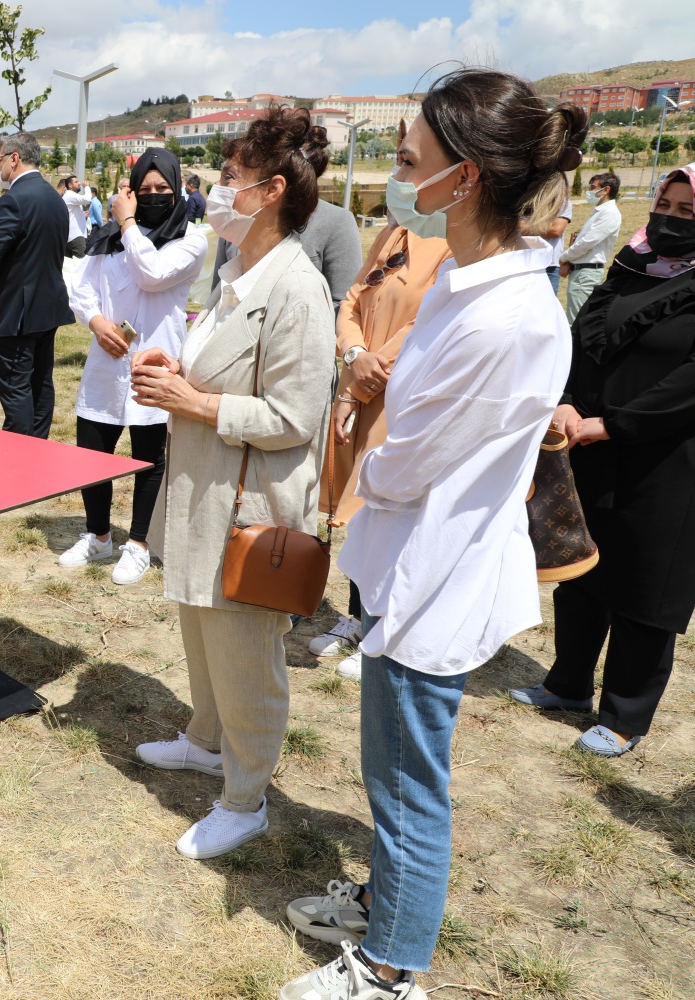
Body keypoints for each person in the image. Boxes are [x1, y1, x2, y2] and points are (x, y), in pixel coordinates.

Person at [282, 70, 584, 1000]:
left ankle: (390, 971)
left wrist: (360, 457)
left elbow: (409, 462)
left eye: (411, 162)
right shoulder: (462, 278)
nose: (399, 179)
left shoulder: (507, 318)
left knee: (409, 784)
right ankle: (385, 906)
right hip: (408, 557)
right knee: (389, 769)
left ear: (467, 175)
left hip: (437, 573)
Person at [128, 107, 334, 859]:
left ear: (271, 190)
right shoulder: (237, 272)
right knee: (199, 623)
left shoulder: (298, 289)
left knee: (246, 654)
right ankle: (206, 738)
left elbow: (295, 416)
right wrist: (176, 373)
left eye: (228, 178)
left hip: (249, 503)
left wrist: (195, 402)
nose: (215, 191)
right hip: (202, 485)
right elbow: (221, 371)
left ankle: (245, 799)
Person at [511, 164, 695, 758]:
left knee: (646, 586)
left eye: (687, 211)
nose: (669, 219)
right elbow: (584, 336)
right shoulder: (630, 266)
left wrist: (614, 424)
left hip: (665, 460)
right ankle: (567, 683)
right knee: (583, 567)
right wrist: (566, 400)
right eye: (665, 205)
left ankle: (624, 715)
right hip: (589, 444)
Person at [312, 192, 453, 679]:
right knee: (357, 510)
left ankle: (385, 626)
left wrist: (363, 379)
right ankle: (356, 617)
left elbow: (421, 325)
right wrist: (354, 356)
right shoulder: (395, 234)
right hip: (360, 386)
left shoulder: (454, 245)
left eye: (409, 163)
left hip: (401, 397)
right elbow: (352, 299)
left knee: (385, 507)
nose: (400, 180)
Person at [62, 148, 207, 586]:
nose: (154, 195)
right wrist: (96, 322)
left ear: (177, 190)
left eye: (163, 188)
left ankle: (139, 544)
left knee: (149, 458)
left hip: (157, 363)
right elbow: (81, 288)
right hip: (107, 361)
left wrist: (126, 222)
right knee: (91, 453)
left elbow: (151, 274)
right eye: (145, 188)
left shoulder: (190, 240)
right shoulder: (109, 238)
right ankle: (98, 536)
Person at [0, 132, 74, 439]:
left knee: (16, 388)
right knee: (41, 384)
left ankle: (20, 450)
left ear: (14, 158)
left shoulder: (13, 199)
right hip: (46, 308)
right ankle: (38, 448)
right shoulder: (55, 198)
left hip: (14, 314)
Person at [208, 147, 362, 312]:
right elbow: (220, 293)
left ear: (273, 188)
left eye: (229, 177)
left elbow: (345, 304)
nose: (217, 186)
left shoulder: (336, 221)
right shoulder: (234, 222)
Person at [560, 171, 622, 321]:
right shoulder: (600, 211)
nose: (589, 191)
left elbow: (587, 242)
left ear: (606, 190)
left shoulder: (609, 213)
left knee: (576, 320)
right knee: (575, 317)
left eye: (593, 187)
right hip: (580, 270)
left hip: (586, 273)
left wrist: (564, 258)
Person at [61, 174, 93, 257]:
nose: (79, 183)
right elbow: (87, 199)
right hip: (76, 237)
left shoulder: (69, 196)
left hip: (70, 236)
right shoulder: (70, 195)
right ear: (70, 185)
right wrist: (86, 187)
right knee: (82, 262)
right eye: (76, 182)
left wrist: (82, 215)